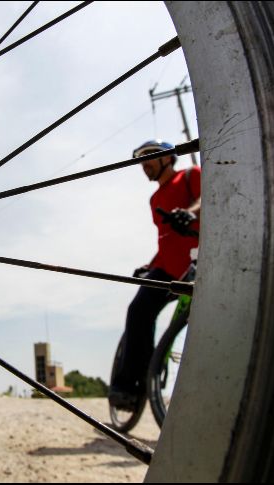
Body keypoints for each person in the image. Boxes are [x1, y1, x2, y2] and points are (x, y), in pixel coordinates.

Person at [109, 139, 201, 409]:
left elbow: (208, 198)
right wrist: (150, 265)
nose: (143, 163)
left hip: (200, 263)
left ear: (167, 158)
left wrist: (188, 213)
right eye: (140, 159)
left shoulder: (189, 176)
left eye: (149, 156)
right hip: (167, 269)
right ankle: (130, 386)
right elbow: (166, 240)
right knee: (138, 310)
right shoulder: (155, 198)